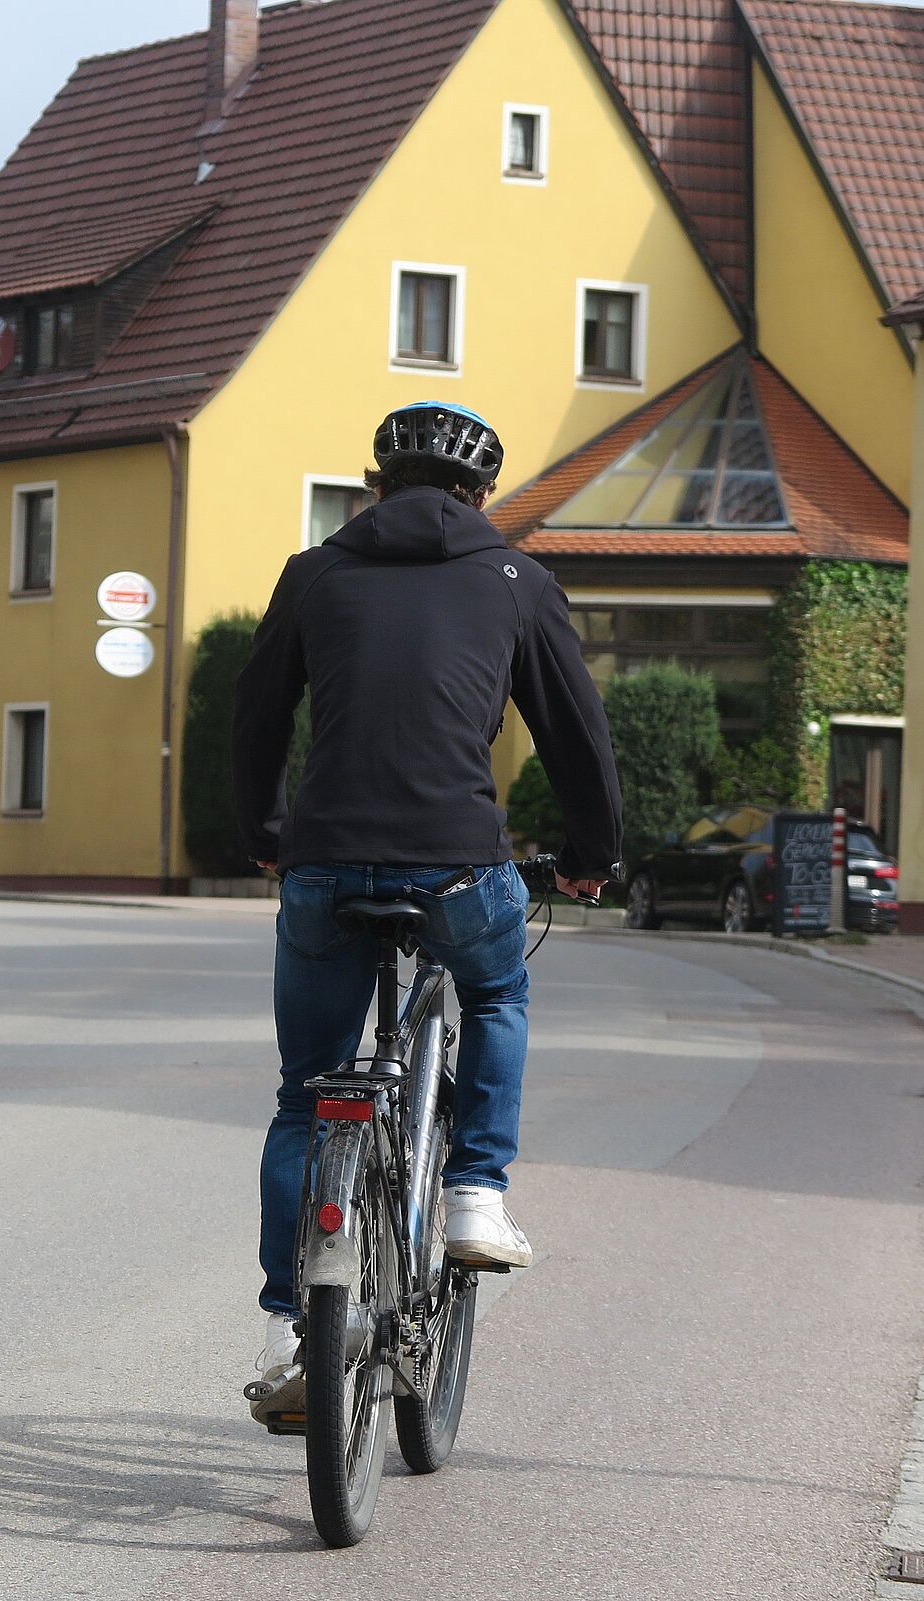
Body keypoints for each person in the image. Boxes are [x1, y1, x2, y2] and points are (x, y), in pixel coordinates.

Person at [231, 400, 623, 1417]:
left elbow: (256, 716)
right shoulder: (517, 581)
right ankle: (475, 1195)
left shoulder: (313, 573)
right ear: (481, 496)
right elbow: (577, 733)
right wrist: (591, 854)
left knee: (305, 1095)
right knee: (496, 993)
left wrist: (267, 832)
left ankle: (287, 1334)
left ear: (375, 487)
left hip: (323, 865)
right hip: (457, 865)